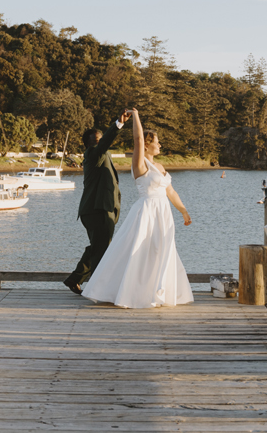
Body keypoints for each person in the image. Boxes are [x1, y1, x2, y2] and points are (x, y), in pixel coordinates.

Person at [80, 109, 194, 309]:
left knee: (163, 250)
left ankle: (159, 292)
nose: (159, 145)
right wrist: (136, 115)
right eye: (156, 141)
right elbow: (138, 139)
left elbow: (171, 191)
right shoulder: (140, 164)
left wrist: (183, 210)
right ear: (148, 144)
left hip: (163, 213)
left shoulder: (160, 166)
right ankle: (128, 292)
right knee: (137, 251)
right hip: (147, 211)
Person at [63, 109, 131, 294]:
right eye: (96, 140)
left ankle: (75, 278)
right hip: (96, 210)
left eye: (100, 140)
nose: (100, 143)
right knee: (102, 250)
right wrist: (118, 123)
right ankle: (100, 288)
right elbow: (104, 144)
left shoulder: (102, 155)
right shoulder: (93, 154)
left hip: (100, 209)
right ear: (89, 145)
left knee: (98, 247)